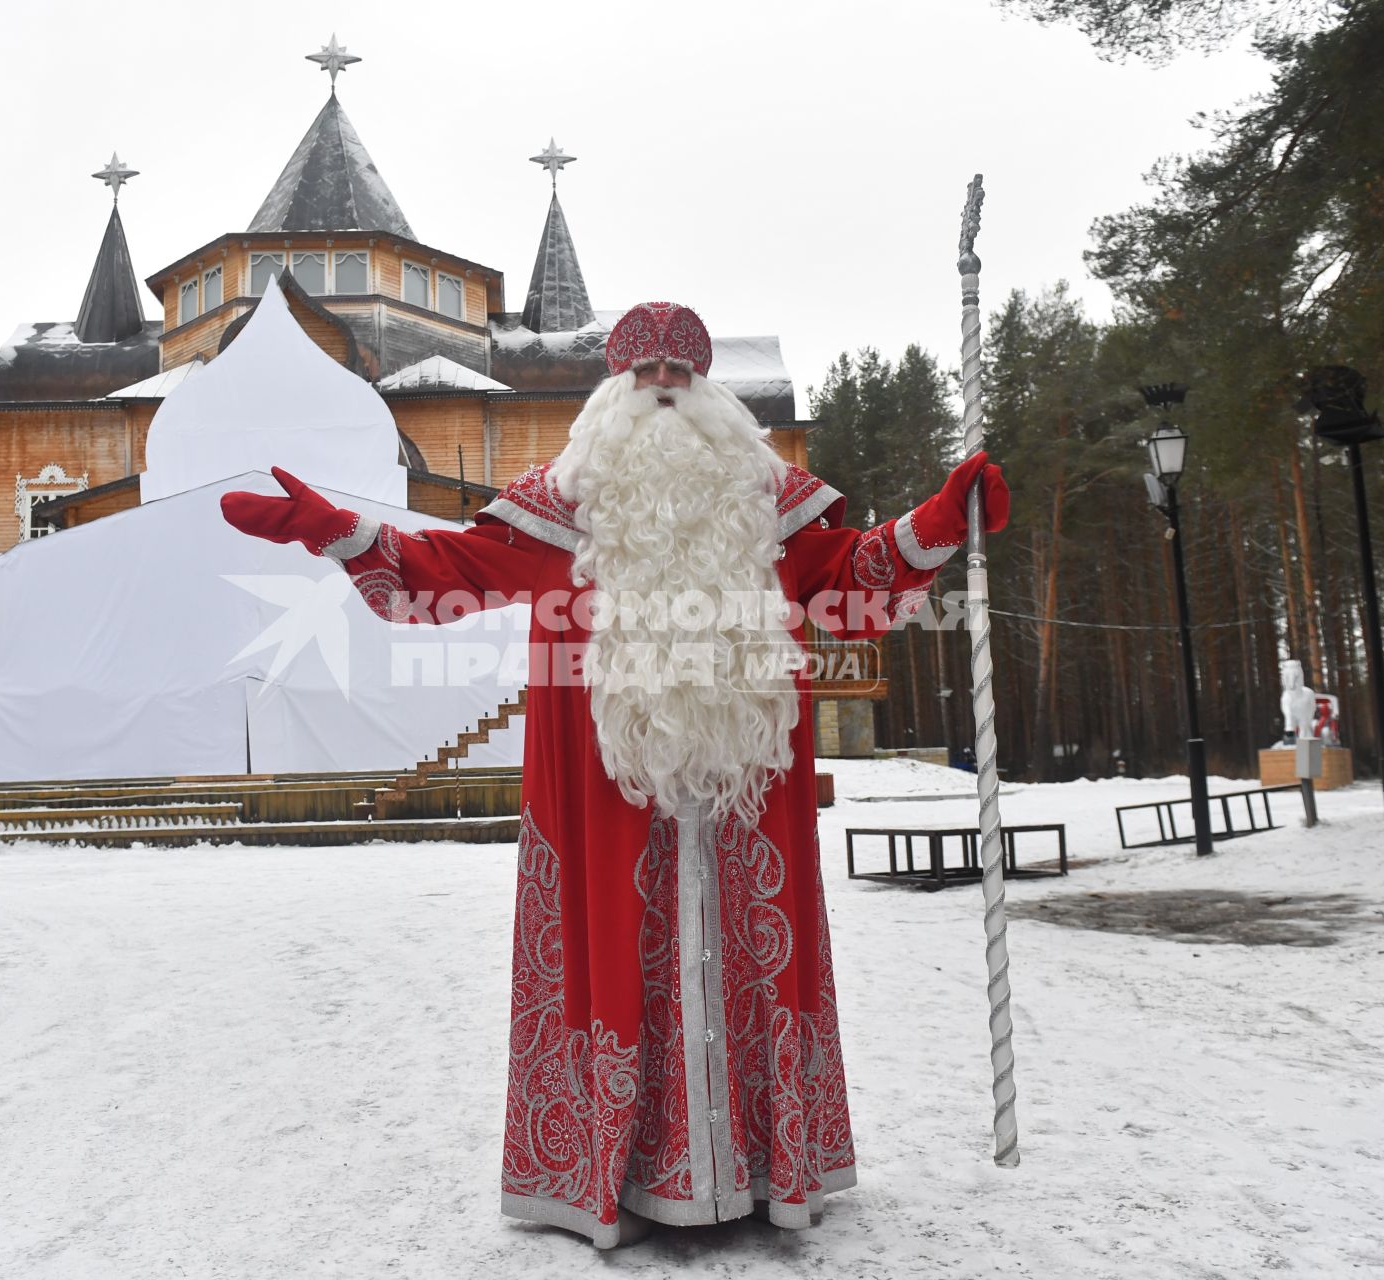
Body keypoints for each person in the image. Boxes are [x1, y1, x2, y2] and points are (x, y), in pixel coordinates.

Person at [220, 301, 1008, 1248]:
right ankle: (614, 1182)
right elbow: (443, 573)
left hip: (743, 800)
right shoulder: (555, 513)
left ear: (713, 392)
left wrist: (934, 523)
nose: (665, 387)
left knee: (754, 960)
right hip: (607, 802)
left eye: (682, 372)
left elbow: (856, 583)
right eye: (646, 373)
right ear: (612, 391)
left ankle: (763, 1172)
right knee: (612, 962)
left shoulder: (776, 507)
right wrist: (340, 530)